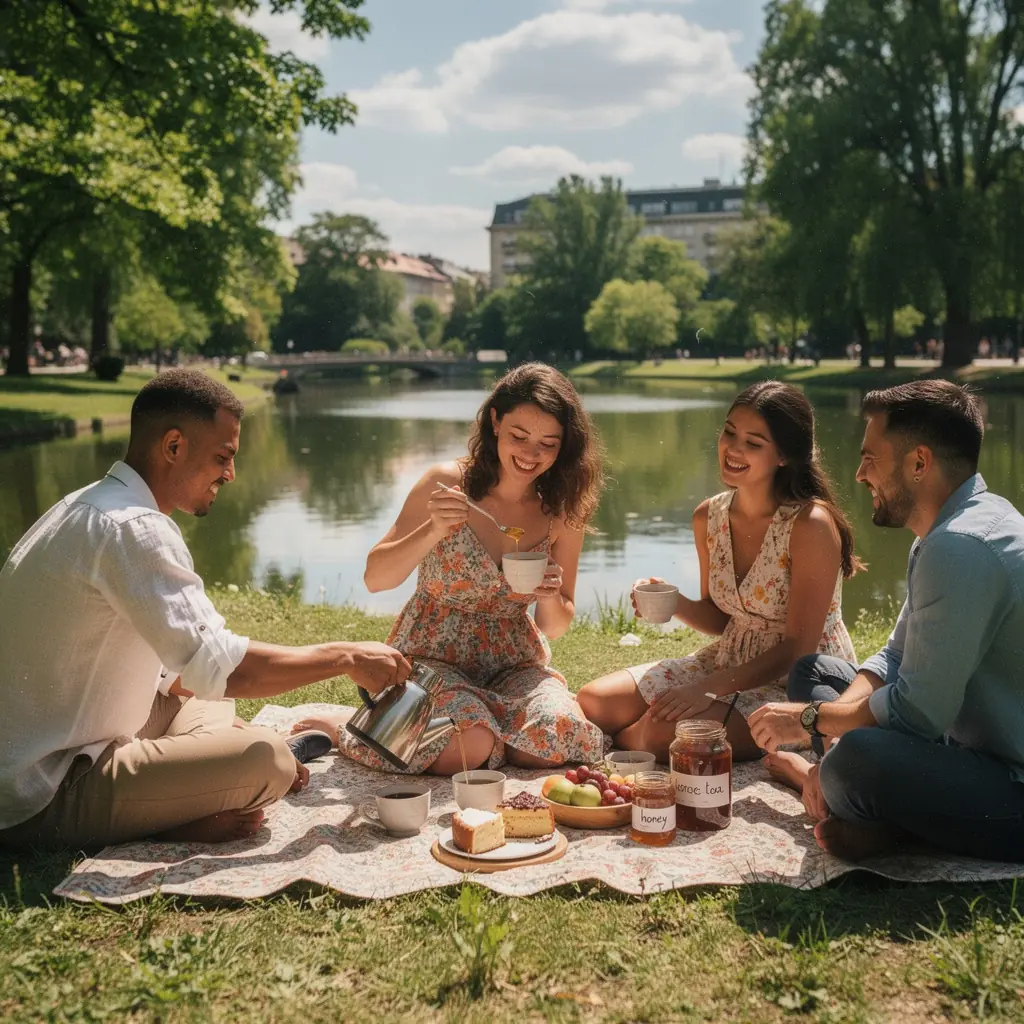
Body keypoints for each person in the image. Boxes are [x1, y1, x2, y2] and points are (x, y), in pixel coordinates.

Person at [0, 370, 410, 850]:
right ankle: (174, 814)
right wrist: (345, 657)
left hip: (51, 746)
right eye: (223, 456)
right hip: (43, 791)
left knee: (207, 700)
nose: (231, 474)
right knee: (268, 761)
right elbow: (229, 668)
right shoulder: (136, 528)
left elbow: (180, 671)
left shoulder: (84, 504)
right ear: (173, 446)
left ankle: (191, 784)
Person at [749, 380, 1024, 863]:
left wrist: (812, 720)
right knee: (813, 673)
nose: (857, 474)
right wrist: (833, 720)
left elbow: (918, 714)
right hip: (962, 739)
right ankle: (849, 799)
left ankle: (871, 815)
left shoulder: (961, 547)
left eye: (870, 459)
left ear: (919, 463)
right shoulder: (949, 529)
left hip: (1010, 782)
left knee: (856, 763)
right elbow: (895, 654)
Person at [293, 363, 605, 775]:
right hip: (432, 655)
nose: (531, 455)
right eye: (519, 436)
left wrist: (549, 594)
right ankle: (347, 730)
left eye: (548, 443)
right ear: (495, 421)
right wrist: (433, 529)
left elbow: (557, 623)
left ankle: (490, 733)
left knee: (552, 740)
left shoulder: (562, 511)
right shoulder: (446, 484)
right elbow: (375, 579)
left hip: (515, 662)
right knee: (470, 744)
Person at [577, 381, 859, 762]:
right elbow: (722, 618)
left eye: (753, 443)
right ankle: (632, 738)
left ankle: (629, 742)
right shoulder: (708, 516)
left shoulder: (811, 524)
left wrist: (705, 690)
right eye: (729, 432)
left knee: (662, 735)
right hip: (727, 662)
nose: (733, 449)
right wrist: (676, 603)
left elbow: (798, 649)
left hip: (795, 681)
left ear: (783, 456)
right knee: (594, 702)